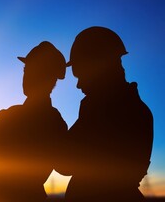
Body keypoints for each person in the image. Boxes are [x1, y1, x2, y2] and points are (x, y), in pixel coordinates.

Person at [60, 26, 153, 202]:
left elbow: (65, 163)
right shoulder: (138, 109)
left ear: (99, 66)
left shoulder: (104, 112)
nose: (78, 85)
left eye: (81, 75)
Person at [0, 41, 68, 202]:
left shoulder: (10, 117)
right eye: (26, 70)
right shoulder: (57, 122)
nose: (26, 76)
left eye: (33, 71)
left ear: (48, 78)